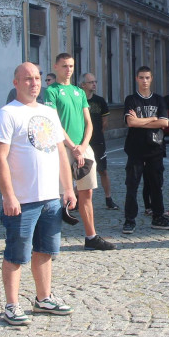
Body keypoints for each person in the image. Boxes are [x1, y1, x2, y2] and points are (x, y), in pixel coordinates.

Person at [0, 62, 77, 326]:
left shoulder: (49, 113)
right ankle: (12, 305)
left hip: (50, 197)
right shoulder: (7, 114)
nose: (34, 83)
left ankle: (43, 298)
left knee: (46, 250)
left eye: (37, 78)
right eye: (27, 79)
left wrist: (68, 188)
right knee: (17, 253)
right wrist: (8, 195)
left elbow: (61, 152)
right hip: (22, 200)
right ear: (16, 83)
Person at [43, 54, 116, 251]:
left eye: (71, 66)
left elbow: (89, 123)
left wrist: (83, 147)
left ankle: (91, 236)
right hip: (62, 148)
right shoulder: (51, 92)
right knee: (58, 195)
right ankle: (50, 241)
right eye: (65, 66)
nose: (68, 69)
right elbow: (54, 122)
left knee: (87, 193)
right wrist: (71, 147)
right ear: (56, 66)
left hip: (83, 148)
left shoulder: (79, 92)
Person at [122, 66, 169, 233]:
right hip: (135, 150)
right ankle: (130, 220)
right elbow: (131, 123)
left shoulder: (159, 100)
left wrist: (142, 120)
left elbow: (164, 123)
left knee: (155, 185)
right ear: (136, 79)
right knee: (132, 186)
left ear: (151, 79)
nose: (144, 81)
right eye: (141, 77)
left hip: (155, 150)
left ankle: (158, 217)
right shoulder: (131, 99)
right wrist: (152, 118)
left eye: (147, 77)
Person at [80, 72, 119, 211]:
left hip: (98, 141)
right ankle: (78, 199)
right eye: (91, 82)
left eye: (95, 81)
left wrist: (97, 134)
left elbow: (105, 122)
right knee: (79, 170)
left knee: (103, 170)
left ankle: (108, 198)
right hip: (81, 141)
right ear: (83, 84)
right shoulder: (78, 99)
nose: (94, 84)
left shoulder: (100, 101)